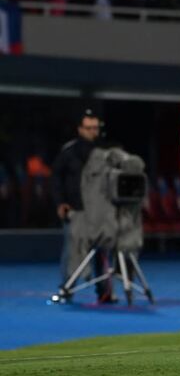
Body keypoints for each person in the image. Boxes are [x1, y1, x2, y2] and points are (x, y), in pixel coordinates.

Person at [51, 110, 114, 303]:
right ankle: (67, 288)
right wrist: (60, 202)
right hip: (76, 210)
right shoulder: (68, 152)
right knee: (72, 251)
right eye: (89, 128)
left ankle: (104, 291)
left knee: (103, 253)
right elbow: (57, 179)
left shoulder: (104, 152)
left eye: (96, 128)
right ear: (80, 129)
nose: (93, 132)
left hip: (100, 212)